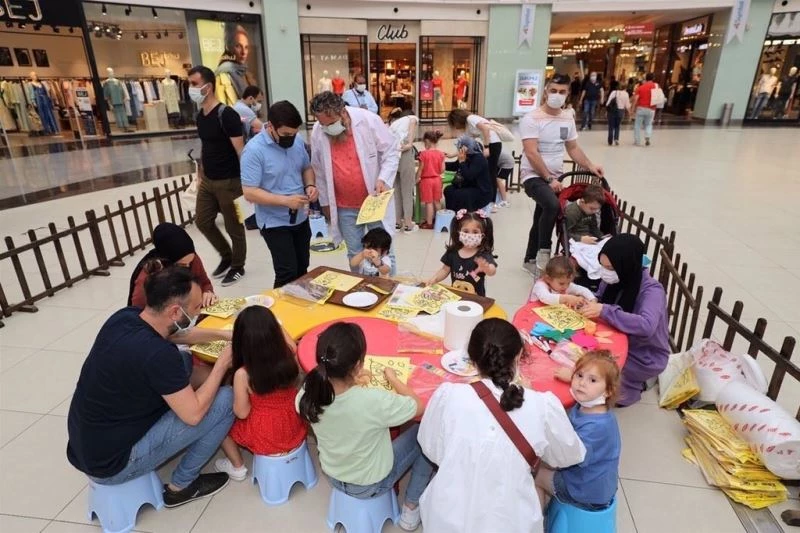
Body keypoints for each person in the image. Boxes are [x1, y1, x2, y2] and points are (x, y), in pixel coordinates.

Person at [66, 267, 235, 507]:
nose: (200, 311)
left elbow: (178, 336)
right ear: (175, 312)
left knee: (184, 360)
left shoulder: (125, 317)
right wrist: (222, 364)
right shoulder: (158, 355)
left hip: (88, 444)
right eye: (197, 307)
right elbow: (194, 415)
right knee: (226, 398)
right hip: (113, 464)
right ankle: (182, 485)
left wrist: (224, 335)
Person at [417, 318, 586, 533]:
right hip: (512, 521)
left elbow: (432, 450)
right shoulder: (543, 405)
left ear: (472, 358)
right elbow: (569, 456)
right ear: (518, 356)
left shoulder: (448, 395)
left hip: (447, 517)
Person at [297, 323, 433, 532]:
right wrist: (393, 379)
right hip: (371, 483)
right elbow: (418, 406)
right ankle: (411, 506)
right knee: (425, 429)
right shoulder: (372, 401)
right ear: (358, 365)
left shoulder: (308, 393)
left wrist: (350, 381)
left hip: (334, 474)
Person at [520, 72, 604, 279]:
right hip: (533, 176)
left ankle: (529, 260)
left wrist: (590, 165)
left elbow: (573, 148)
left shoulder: (567, 118)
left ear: (568, 94)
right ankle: (543, 251)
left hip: (556, 177)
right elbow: (531, 152)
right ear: (546, 91)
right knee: (552, 205)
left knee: (541, 215)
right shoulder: (532, 119)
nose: (557, 95)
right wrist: (548, 178)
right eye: (553, 91)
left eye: (562, 92)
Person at [309, 91, 399, 273]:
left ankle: (390, 288)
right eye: (322, 124)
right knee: (354, 253)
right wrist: (325, 202)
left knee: (383, 250)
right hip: (344, 206)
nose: (327, 128)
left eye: (331, 123)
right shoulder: (319, 131)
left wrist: (383, 178)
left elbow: (391, 151)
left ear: (343, 112)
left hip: (373, 201)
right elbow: (318, 170)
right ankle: (360, 291)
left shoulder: (368, 121)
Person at [213, 306, 306, 481]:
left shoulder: (244, 374)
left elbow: (242, 412)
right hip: (293, 424)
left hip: (266, 433)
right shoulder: (289, 356)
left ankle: (237, 466)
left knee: (218, 423)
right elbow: (287, 339)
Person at [579, 235, 670, 406]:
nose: (605, 271)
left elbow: (646, 325)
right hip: (619, 336)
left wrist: (605, 310)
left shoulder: (652, 291)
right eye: (602, 266)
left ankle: (639, 383)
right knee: (580, 352)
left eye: (610, 267)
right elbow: (600, 297)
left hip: (644, 354)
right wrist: (590, 301)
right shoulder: (616, 276)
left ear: (625, 265)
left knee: (600, 378)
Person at [241, 100, 317, 289]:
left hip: (300, 217)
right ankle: (280, 315)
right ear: (271, 127)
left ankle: (300, 308)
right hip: (274, 222)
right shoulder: (254, 151)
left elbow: (306, 167)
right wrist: (285, 201)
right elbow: (249, 192)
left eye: (294, 133)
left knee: (302, 267)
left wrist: (310, 185)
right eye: (285, 134)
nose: (290, 138)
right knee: (286, 271)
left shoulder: (297, 141)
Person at [537, 350, 621, 511]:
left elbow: (567, 459)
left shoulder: (597, 427)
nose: (582, 383)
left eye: (592, 380)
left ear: (608, 391)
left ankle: (536, 524)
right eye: (579, 375)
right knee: (542, 460)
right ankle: (550, 506)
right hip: (590, 482)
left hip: (585, 492)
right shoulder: (590, 407)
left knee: (534, 474)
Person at [188, 65, 246, 287]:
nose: (190, 88)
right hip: (209, 180)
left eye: (194, 84)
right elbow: (205, 146)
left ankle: (238, 265)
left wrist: (246, 183)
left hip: (229, 181)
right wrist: (200, 173)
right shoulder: (200, 116)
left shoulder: (227, 115)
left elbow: (241, 151)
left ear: (208, 86)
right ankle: (226, 255)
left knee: (234, 226)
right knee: (202, 221)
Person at [127, 223, 216, 310]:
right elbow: (137, 314)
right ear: (168, 260)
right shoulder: (149, 275)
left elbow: (204, 283)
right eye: (182, 265)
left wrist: (207, 292)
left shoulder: (191, 258)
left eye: (190, 262)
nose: (188, 267)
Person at [426, 210, 496, 296]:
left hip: (476, 299)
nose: (470, 235)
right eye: (466, 231)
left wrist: (487, 268)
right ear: (459, 232)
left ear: (482, 235)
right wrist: (435, 278)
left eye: (475, 232)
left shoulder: (483, 254)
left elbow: (492, 271)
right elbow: (445, 269)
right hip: (456, 296)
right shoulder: (453, 252)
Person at [447, 109, 502, 206]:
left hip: (493, 144)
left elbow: (486, 129)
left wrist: (486, 147)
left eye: (454, 123)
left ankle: (492, 202)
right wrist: (453, 155)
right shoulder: (468, 126)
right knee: (488, 172)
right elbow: (465, 145)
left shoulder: (470, 118)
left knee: (491, 172)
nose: (456, 126)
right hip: (489, 144)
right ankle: (490, 199)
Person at [443, 135, 493, 213]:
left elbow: (469, 175)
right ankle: (451, 213)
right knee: (448, 190)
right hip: (469, 186)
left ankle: (462, 215)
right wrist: (441, 164)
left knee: (459, 195)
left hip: (481, 191)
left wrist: (462, 162)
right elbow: (454, 166)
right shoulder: (467, 156)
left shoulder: (479, 159)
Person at [388, 107, 419, 233]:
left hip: (392, 156)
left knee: (396, 192)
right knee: (407, 190)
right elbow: (412, 122)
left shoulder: (394, 125)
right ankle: (407, 224)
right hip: (404, 154)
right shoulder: (411, 118)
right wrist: (410, 143)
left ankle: (396, 223)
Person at [215, 23, 257, 106]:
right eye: (238, 46)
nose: (243, 52)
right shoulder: (221, 77)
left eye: (246, 47)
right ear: (229, 47)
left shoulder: (246, 74)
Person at [529, 256, 596, 306]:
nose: (565, 286)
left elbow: (582, 289)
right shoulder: (540, 285)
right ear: (548, 279)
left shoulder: (565, 285)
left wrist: (592, 300)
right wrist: (566, 298)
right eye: (561, 283)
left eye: (569, 283)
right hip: (531, 314)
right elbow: (546, 297)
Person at [416, 130, 446, 228]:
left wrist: (417, 178)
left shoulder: (423, 154)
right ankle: (441, 221)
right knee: (437, 201)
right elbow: (442, 170)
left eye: (424, 142)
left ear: (427, 141)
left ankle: (429, 223)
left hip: (426, 181)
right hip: (437, 180)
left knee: (429, 202)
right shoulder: (441, 154)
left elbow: (421, 168)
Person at [631, 72, 657, 147]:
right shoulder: (656, 87)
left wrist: (632, 109)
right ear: (653, 78)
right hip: (651, 109)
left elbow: (635, 99)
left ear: (646, 78)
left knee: (637, 125)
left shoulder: (641, 87)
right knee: (648, 124)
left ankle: (637, 141)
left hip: (641, 108)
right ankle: (647, 136)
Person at [605, 80, 630, 146]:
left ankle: (610, 141)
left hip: (612, 111)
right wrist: (630, 112)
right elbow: (627, 105)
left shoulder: (614, 92)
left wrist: (606, 111)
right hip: (621, 111)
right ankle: (616, 139)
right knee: (617, 126)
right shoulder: (626, 94)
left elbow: (608, 102)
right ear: (625, 87)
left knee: (611, 126)